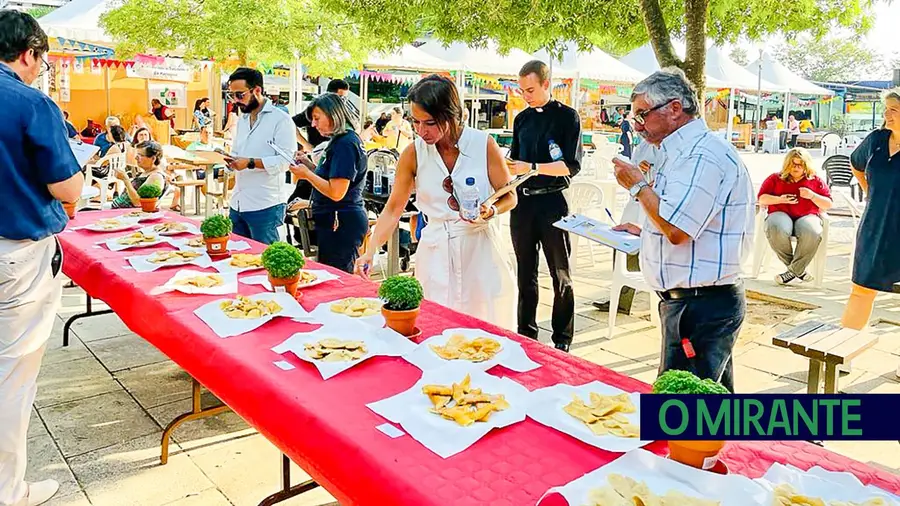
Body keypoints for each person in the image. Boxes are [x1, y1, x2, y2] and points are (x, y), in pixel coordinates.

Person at [611, 68, 754, 392]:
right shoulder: (683, 152)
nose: (637, 125)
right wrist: (644, 230)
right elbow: (678, 216)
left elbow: (677, 229)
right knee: (705, 415)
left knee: (682, 420)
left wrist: (637, 186)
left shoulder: (701, 154)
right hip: (693, 304)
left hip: (701, 306)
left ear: (675, 109)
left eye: (643, 115)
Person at [0, 11, 85, 506]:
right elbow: (67, 185)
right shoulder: (30, 103)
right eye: (41, 61)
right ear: (29, 53)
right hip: (16, 253)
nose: (40, 70)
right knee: (12, 375)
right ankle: (8, 490)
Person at [354, 75, 518, 329]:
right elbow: (394, 208)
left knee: (485, 327)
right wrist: (371, 249)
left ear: (452, 115)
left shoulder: (482, 144)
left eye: (429, 122)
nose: (421, 131)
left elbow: (510, 195)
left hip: (479, 248)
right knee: (437, 327)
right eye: (415, 122)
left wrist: (491, 210)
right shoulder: (413, 152)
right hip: (435, 250)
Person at [506, 60, 582, 351]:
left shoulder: (568, 118)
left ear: (546, 84)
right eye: (522, 90)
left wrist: (534, 167)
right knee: (525, 272)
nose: (526, 95)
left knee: (560, 273)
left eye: (530, 89)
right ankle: (526, 332)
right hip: (522, 203)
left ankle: (562, 339)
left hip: (553, 202)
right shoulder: (521, 119)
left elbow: (570, 166)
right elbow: (516, 160)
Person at [840, 90, 900, 378]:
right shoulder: (876, 140)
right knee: (861, 290)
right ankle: (842, 356)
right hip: (875, 225)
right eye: (886, 109)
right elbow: (856, 163)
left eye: (894, 110)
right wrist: (869, 192)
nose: (886, 115)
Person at [288, 93, 367, 272]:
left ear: (333, 115)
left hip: (341, 221)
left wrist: (307, 174)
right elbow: (333, 178)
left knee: (337, 279)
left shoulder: (345, 143)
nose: (313, 125)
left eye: (316, 118)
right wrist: (309, 165)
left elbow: (336, 192)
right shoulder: (340, 141)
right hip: (336, 220)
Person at [224, 67, 295, 245]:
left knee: (267, 262)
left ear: (257, 90)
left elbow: (286, 162)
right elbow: (237, 152)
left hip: (266, 205)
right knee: (238, 259)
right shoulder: (242, 120)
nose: (235, 101)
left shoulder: (281, 120)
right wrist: (228, 160)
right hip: (238, 202)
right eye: (231, 95)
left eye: (240, 95)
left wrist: (250, 163)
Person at [593, 140, 660, 315]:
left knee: (648, 255)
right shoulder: (643, 146)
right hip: (635, 206)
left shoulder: (673, 147)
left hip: (654, 209)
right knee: (622, 251)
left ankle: (654, 299)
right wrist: (636, 172)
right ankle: (622, 299)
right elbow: (630, 175)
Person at [757, 147, 832, 285]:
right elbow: (762, 199)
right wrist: (780, 199)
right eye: (792, 164)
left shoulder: (815, 181)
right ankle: (798, 270)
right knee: (775, 227)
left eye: (800, 164)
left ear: (806, 165)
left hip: (807, 216)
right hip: (780, 214)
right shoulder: (775, 178)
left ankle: (792, 272)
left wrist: (812, 195)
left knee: (813, 231)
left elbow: (828, 204)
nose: (795, 168)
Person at [110, 141, 168, 209]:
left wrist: (126, 180)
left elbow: (139, 203)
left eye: (140, 155)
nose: (136, 158)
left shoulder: (156, 177)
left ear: (153, 159)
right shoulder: (147, 172)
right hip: (119, 209)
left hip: (126, 215)